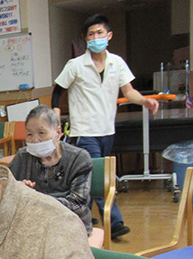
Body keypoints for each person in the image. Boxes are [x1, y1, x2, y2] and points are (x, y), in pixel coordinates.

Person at [52, 13, 159, 239]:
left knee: (90, 179)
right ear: (85, 39)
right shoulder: (76, 65)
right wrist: (55, 116)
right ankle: (114, 222)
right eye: (91, 34)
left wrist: (145, 101)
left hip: (107, 131)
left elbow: (128, 91)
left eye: (99, 33)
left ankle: (78, 218)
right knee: (97, 177)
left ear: (109, 35)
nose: (95, 37)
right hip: (84, 131)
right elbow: (57, 90)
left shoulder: (116, 62)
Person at [8, 105, 93, 235]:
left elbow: (78, 205)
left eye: (41, 133)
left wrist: (34, 198)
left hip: (71, 225)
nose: (35, 140)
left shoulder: (79, 158)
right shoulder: (23, 156)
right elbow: (5, 191)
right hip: (34, 225)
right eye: (29, 134)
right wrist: (18, 189)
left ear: (58, 133)